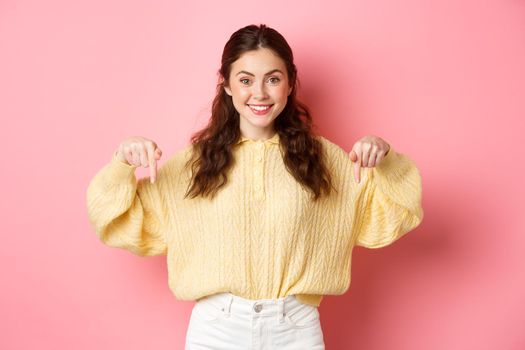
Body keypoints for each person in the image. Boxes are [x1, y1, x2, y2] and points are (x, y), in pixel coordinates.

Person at [86, 23, 424, 350]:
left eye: (273, 79)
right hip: (215, 331)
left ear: (290, 83)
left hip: (296, 330)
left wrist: (386, 159)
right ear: (228, 85)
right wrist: (122, 163)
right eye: (245, 80)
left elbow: (397, 212)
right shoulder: (192, 165)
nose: (259, 93)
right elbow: (116, 220)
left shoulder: (327, 161)